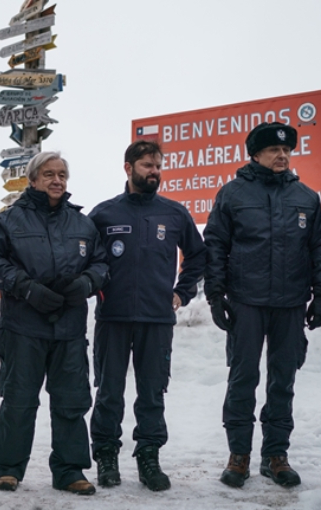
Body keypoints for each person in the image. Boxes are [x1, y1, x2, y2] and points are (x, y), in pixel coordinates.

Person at [0, 151, 108, 495]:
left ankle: (69, 470)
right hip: (23, 326)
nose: (57, 180)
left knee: (71, 400)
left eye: (62, 174)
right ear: (33, 180)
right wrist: (25, 287)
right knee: (19, 399)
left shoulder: (82, 223)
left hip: (69, 329)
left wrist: (86, 283)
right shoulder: (11, 220)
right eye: (48, 174)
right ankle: (7, 468)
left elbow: (102, 263)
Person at [204, 122, 321, 489]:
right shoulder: (233, 194)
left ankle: (276, 456)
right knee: (242, 379)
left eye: (287, 150)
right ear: (255, 154)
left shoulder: (307, 198)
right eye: (273, 150)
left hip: (290, 304)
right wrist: (215, 295)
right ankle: (239, 455)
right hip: (246, 302)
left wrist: (320, 294)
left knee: (283, 380)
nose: (282, 156)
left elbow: (317, 249)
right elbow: (216, 245)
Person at [87, 140, 206, 492]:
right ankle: (106, 455)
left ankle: (149, 456)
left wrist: (182, 292)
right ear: (128, 168)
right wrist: (95, 287)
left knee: (153, 392)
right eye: (146, 166)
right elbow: (84, 258)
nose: (154, 172)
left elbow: (198, 256)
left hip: (157, 318)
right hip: (113, 317)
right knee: (109, 391)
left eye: (157, 166)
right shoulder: (104, 214)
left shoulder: (174, 213)